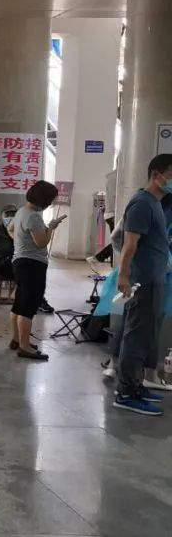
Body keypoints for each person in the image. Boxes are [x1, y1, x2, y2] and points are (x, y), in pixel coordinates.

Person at [112, 154, 172, 416]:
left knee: (145, 336)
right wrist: (124, 276)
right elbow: (129, 244)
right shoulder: (142, 203)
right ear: (157, 174)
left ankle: (135, 385)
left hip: (154, 279)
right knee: (135, 336)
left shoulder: (155, 203)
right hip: (142, 281)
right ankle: (125, 393)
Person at [8, 181, 66, 361]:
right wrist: (51, 228)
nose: (51, 203)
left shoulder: (21, 211)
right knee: (28, 306)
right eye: (51, 199)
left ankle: (16, 339)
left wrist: (21, 243)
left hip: (20, 261)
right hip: (32, 264)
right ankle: (25, 347)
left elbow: (10, 229)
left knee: (19, 303)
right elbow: (41, 243)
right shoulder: (33, 216)